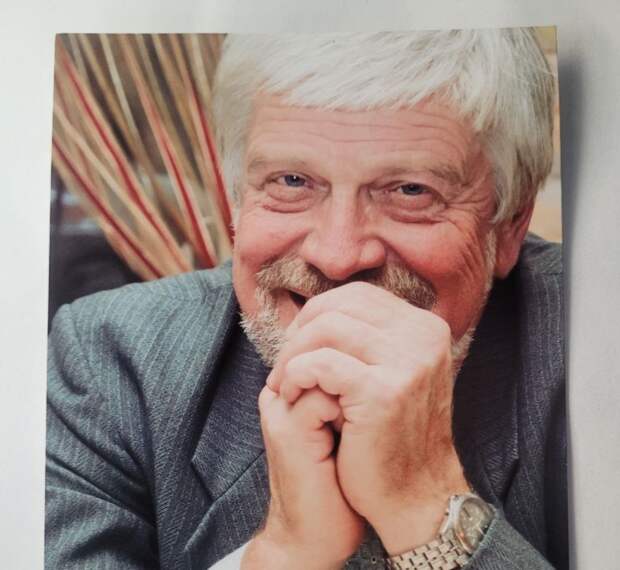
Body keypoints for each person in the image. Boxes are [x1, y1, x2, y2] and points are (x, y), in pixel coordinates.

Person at [46, 30, 566, 569]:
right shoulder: (110, 363)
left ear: (509, 225)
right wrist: (285, 553)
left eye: (410, 191)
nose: (337, 256)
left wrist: (427, 506)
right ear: (238, 199)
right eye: (292, 181)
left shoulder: (592, 348)